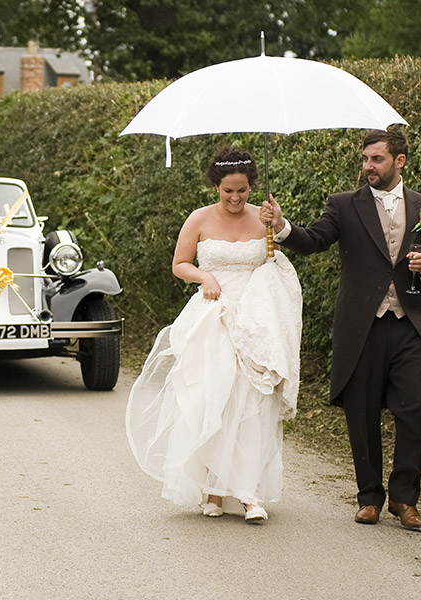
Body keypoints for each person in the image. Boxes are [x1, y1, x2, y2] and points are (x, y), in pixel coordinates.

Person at [260, 128, 421, 529]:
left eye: (376, 159)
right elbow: (314, 241)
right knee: (361, 412)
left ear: (399, 161)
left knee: (418, 406)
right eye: (364, 159)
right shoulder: (344, 205)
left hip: (410, 323)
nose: (368, 167)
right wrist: (281, 226)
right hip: (362, 324)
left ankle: (404, 498)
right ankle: (369, 497)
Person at [126, 147, 302, 522]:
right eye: (228, 192)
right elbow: (179, 264)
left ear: (252, 186)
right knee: (213, 399)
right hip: (213, 314)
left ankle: (249, 492)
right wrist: (205, 276)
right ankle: (213, 490)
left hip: (256, 318)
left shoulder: (264, 217)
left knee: (253, 403)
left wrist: (277, 224)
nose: (236, 199)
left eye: (242, 191)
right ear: (216, 187)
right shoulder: (199, 219)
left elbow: (279, 261)